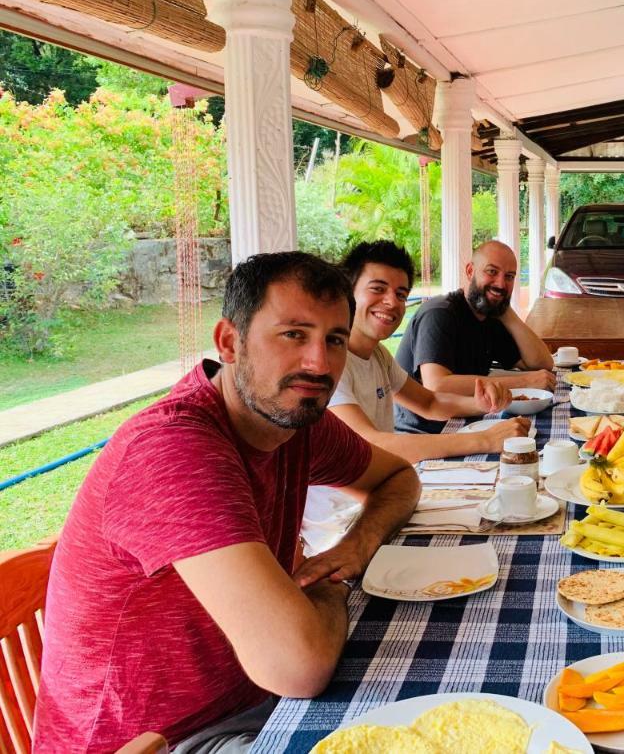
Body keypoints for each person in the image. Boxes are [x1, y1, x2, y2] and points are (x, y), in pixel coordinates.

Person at [34, 253, 421, 753]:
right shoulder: (174, 448)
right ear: (230, 342)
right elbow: (298, 664)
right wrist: (335, 584)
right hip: (156, 740)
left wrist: (357, 545)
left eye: (334, 339)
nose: (319, 363)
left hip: (254, 701)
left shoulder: (295, 421)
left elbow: (398, 477)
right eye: (293, 334)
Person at [302, 241, 531, 553]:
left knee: (509, 518)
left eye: (399, 294)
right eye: (378, 289)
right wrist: (484, 440)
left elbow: (430, 402)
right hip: (341, 528)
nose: (391, 302)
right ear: (347, 292)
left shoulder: (377, 355)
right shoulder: (327, 364)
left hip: (385, 500)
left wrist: (481, 404)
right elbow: (371, 446)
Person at [394, 240, 555, 434]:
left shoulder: (489, 315)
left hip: (468, 422)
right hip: (424, 432)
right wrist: (525, 382)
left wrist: (508, 313)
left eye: (509, 277)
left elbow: (541, 363)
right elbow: (437, 385)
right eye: (492, 272)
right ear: (470, 271)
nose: (501, 284)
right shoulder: (439, 313)